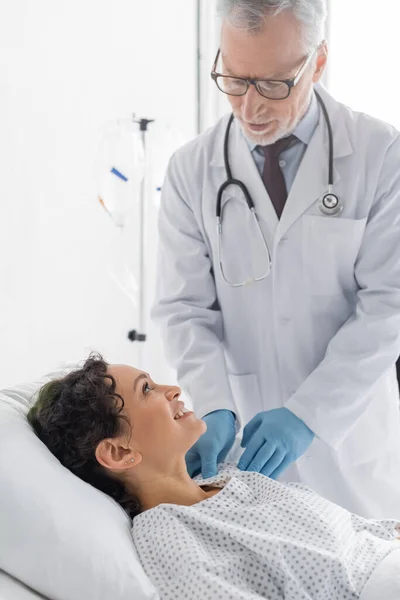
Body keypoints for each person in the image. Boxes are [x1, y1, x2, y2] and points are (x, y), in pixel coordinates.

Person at [151, 0, 400, 519]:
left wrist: (310, 415)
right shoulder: (191, 169)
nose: (250, 107)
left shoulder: (380, 153)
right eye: (235, 80)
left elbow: (389, 305)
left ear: (320, 60)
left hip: (348, 450)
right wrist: (214, 403)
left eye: (273, 84)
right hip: (243, 453)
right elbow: (183, 309)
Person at [27, 355, 400, 600]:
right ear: (120, 452)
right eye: (147, 389)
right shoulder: (165, 533)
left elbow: (355, 533)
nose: (172, 389)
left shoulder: (228, 476)